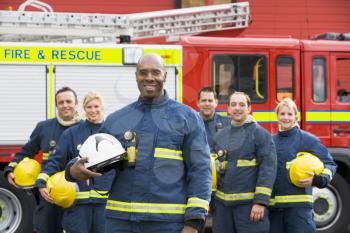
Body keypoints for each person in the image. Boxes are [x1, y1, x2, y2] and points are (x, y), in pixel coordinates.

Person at [65, 53, 212, 233]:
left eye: (155, 72)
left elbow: (200, 171)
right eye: (143, 72)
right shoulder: (117, 120)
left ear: (165, 75)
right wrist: (72, 170)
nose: (149, 77)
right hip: (120, 223)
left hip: (168, 224)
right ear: (136, 76)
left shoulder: (187, 118)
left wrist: (193, 224)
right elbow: (88, 157)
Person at [35, 91, 114, 233]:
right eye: (89, 107)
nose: (93, 110)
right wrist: (41, 181)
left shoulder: (113, 133)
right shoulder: (72, 133)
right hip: (78, 205)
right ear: (83, 109)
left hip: (105, 204)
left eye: (96, 106)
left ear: (103, 107)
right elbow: (56, 160)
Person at [4, 86, 81, 233]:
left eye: (69, 101)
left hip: (77, 195)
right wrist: (10, 169)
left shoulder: (85, 128)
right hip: (48, 194)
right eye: (61, 102)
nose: (65, 105)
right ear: (56, 105)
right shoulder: (44, 128)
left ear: (76, 103)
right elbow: (26, 152)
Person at [212, 91, 277, 233]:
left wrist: (260, 202)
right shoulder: (219, 136)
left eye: (242, 104)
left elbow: (268, 169)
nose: (237, 108)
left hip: (249, 208)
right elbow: (212, 170)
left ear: (249, 108)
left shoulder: (260, 134)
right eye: (233, 104)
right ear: (228, 109)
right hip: (222, 208)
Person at [269, 98, 337, 233]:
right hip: (274, 210)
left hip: (299, 210)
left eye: (289, 114)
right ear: (277, 116)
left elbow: (329, 164)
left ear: (296, 116)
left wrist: (318, 179)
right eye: (282, 114)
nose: (286, 117)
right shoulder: (270, 141)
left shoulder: (307, 140)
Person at [197, 87, 231, 151]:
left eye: (210, 101)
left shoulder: (228, 123)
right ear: (198, 103)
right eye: (204, 100)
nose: (207, 104)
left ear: (216, 103)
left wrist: (249, 120)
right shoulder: (191, 124)